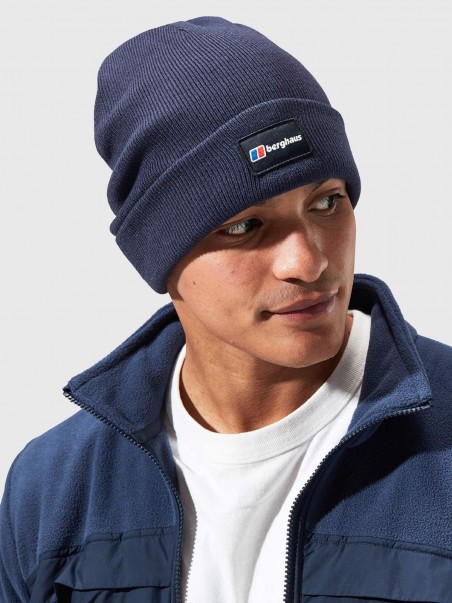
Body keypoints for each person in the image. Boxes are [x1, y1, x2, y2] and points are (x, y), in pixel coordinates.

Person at [1, 14, 452, 603]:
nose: (308, 262)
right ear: (160, 257)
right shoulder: (53, 490)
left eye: (326, 202)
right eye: (244, 226)